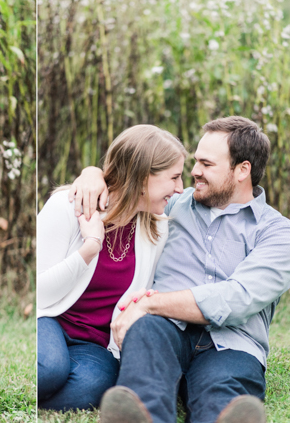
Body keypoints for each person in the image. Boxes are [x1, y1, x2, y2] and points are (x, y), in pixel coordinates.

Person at [71, 116, 290, 423]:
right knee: (145, 342)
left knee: (223, 389)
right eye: (196, 161)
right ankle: (141, 414)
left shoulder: (278, 233)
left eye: (206, 164)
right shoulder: (174, 203)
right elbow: (134, 178)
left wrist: (148, 303)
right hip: (164, 328)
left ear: (243, 170)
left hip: (231, 343)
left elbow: (237, 298)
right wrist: (93, 174)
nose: (194, 171)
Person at [37, 125, 187, 411]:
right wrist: (90, 247)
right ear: (144, 177)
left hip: (94, 346)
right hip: (48, 321)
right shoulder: (66, 207)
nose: (180, 188)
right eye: (174, 177)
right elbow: (37, 294)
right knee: (50, 369)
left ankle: (34, 399)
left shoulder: (155, 229)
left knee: (94, 386)